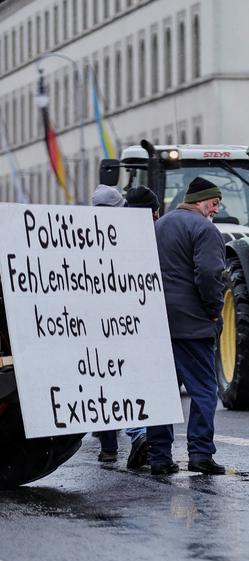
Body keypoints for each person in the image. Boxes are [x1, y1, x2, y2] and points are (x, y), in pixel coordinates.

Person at [148, 177, 226, 476]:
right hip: (192, 323)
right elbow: (209, 274)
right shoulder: (204, 229)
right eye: (214, 203)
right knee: (204, 388)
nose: (215, 209)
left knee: (162, 391)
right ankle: (200, 453)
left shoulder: (159, 226)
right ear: (201, 201)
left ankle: (159, 457)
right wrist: (212, 311)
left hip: (156, 320)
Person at [119, 186, 162, 470]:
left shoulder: (110, 236)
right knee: (152, 380)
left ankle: (137, 433)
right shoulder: (163, 234)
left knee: (125, 378)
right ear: (155, 211)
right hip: (153, 320)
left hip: (120, 322)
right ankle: (152, 438)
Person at [90, 184, 126, 462]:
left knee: (99, 380)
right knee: (124, 378)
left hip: (90, 325)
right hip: (123, 322)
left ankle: (109, 446)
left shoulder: (79, 235)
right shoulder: (127, 236)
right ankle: (137, 434)